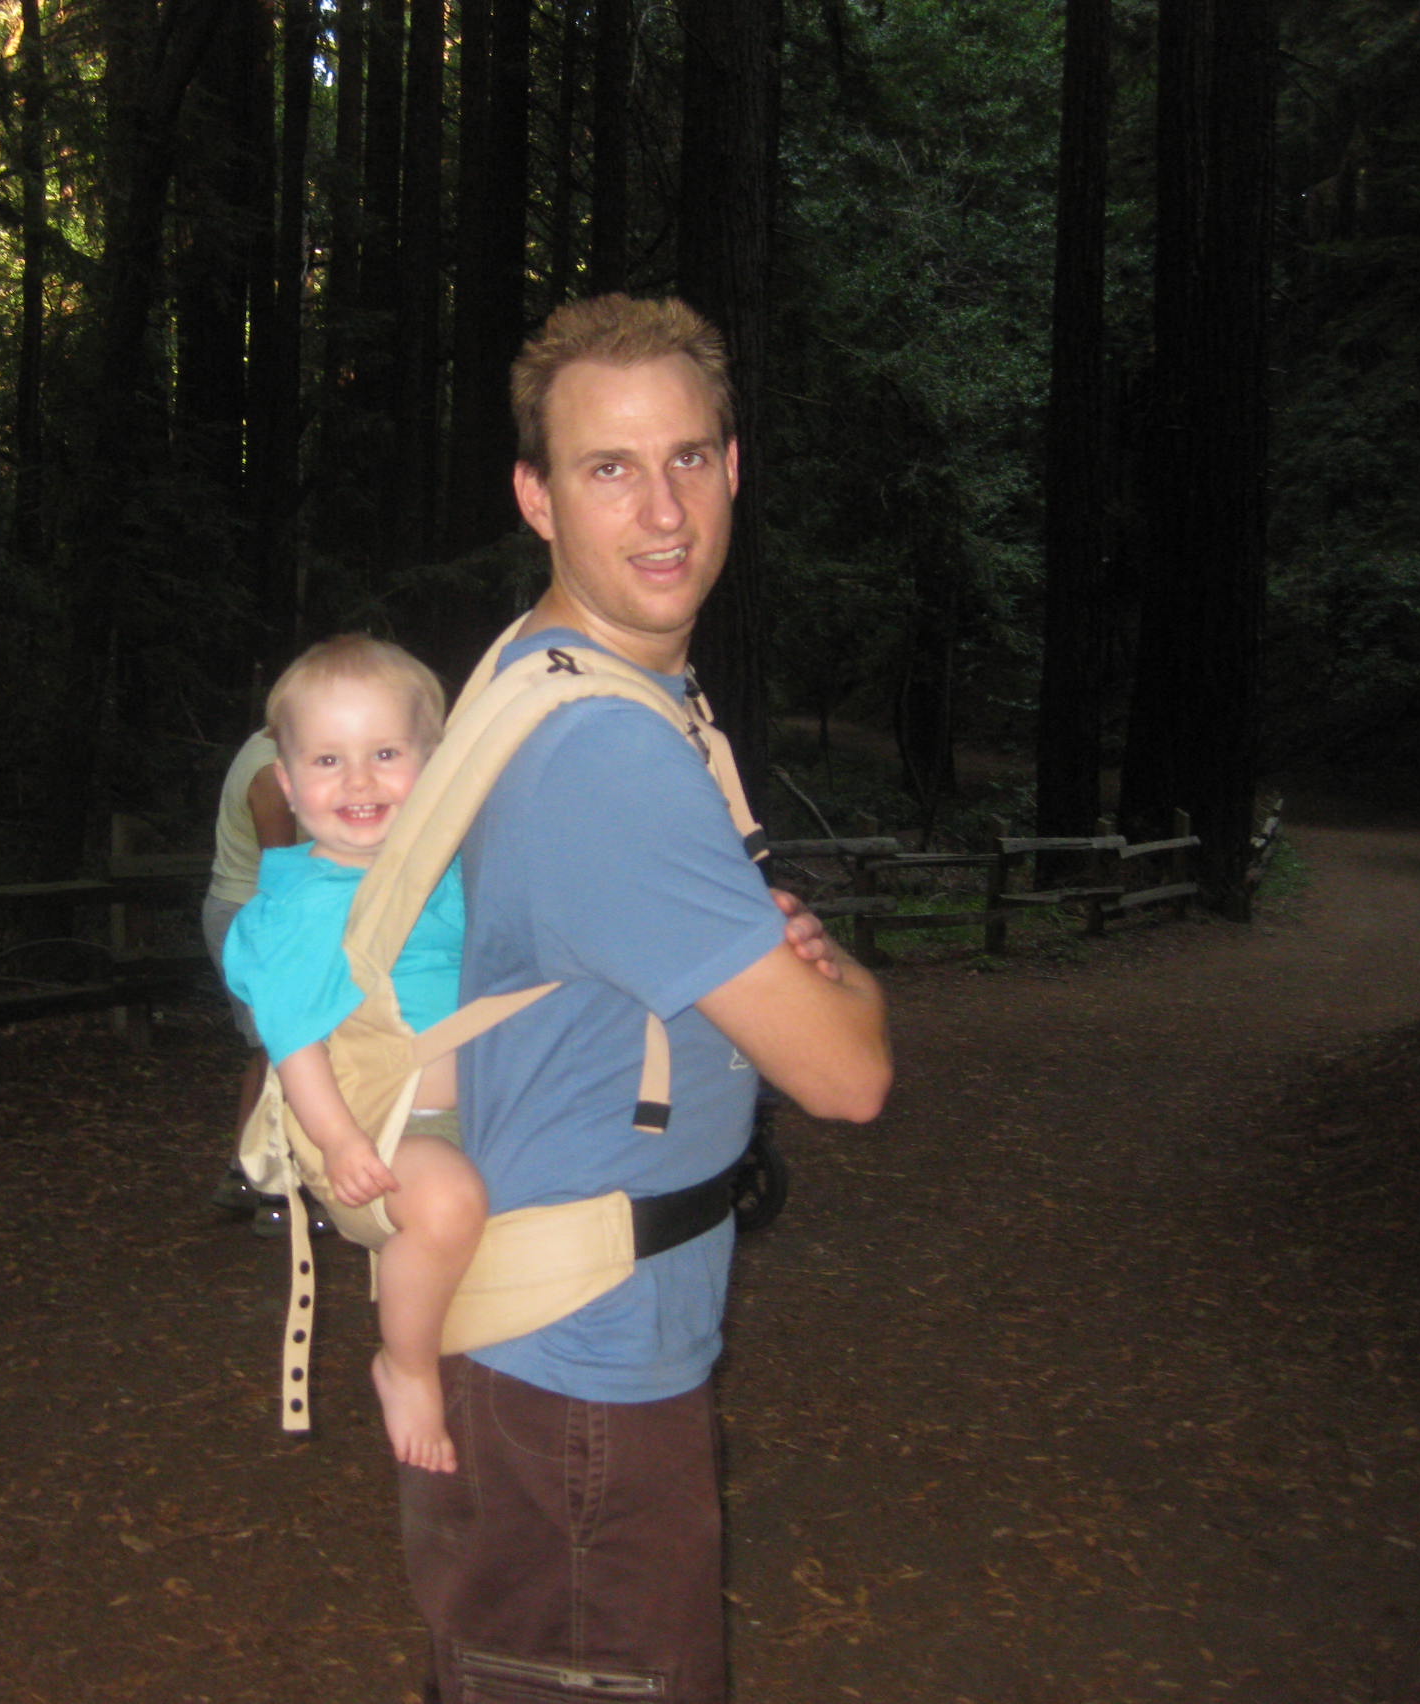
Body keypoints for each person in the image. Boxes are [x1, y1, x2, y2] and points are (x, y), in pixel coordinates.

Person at [399, 295, 893, 1702]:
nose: (662, 509)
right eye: (608, 468)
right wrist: (845, 973)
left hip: (557, 1352)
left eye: (686, 458)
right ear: (536, 497)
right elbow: (847, 1075)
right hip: (577, 1382)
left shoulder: (554, 675)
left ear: (733, 468)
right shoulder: (604, 754)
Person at [222, 635, 490, 1475]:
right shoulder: (309, 906)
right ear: (288, 785)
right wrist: (341, 1143)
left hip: (488, 1109)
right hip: (384, 1129)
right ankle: (405, 1366)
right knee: (443, 1202)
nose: (360, 782)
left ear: (433, 763)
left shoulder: (450, 868)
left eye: (385, 754)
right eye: (329, 760)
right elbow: (294, 1042)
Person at [200, 725, 301, 1235]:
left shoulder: (272, 751)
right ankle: (275, 1193)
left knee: (270, 1052)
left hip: (250, 913)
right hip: (257, 917)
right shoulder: (269, 773)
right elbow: (283, 871)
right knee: (289, 1054)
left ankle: (242, 1177)